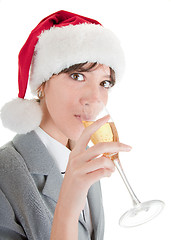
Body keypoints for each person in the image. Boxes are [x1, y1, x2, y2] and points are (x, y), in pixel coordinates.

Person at [0, 10, 131, 240]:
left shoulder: (84, 159)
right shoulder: (5, 175)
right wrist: (67, 211)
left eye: (105, 82)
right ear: (42, 83)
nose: (95, 98)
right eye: (78, 76)